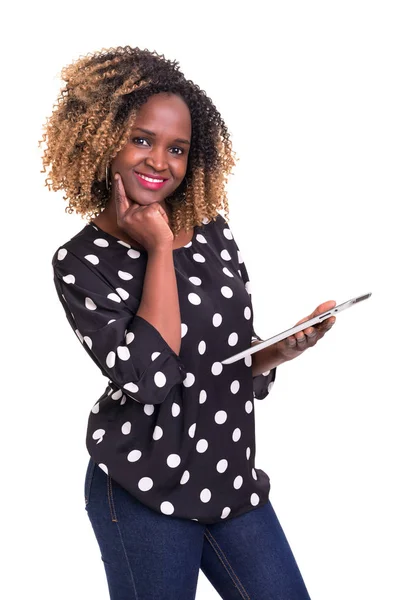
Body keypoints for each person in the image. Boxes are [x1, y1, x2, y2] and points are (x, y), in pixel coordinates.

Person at [40, 45, 336, 600]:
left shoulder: (210, 229)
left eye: (177, 148)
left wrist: (278, 351)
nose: (160, 161)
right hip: (143, 487)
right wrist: (157, 249)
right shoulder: (80, 262)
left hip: (229, 480)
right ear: (101, 138)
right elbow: (152, 377)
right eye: (142, 139)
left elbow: (222, 358)